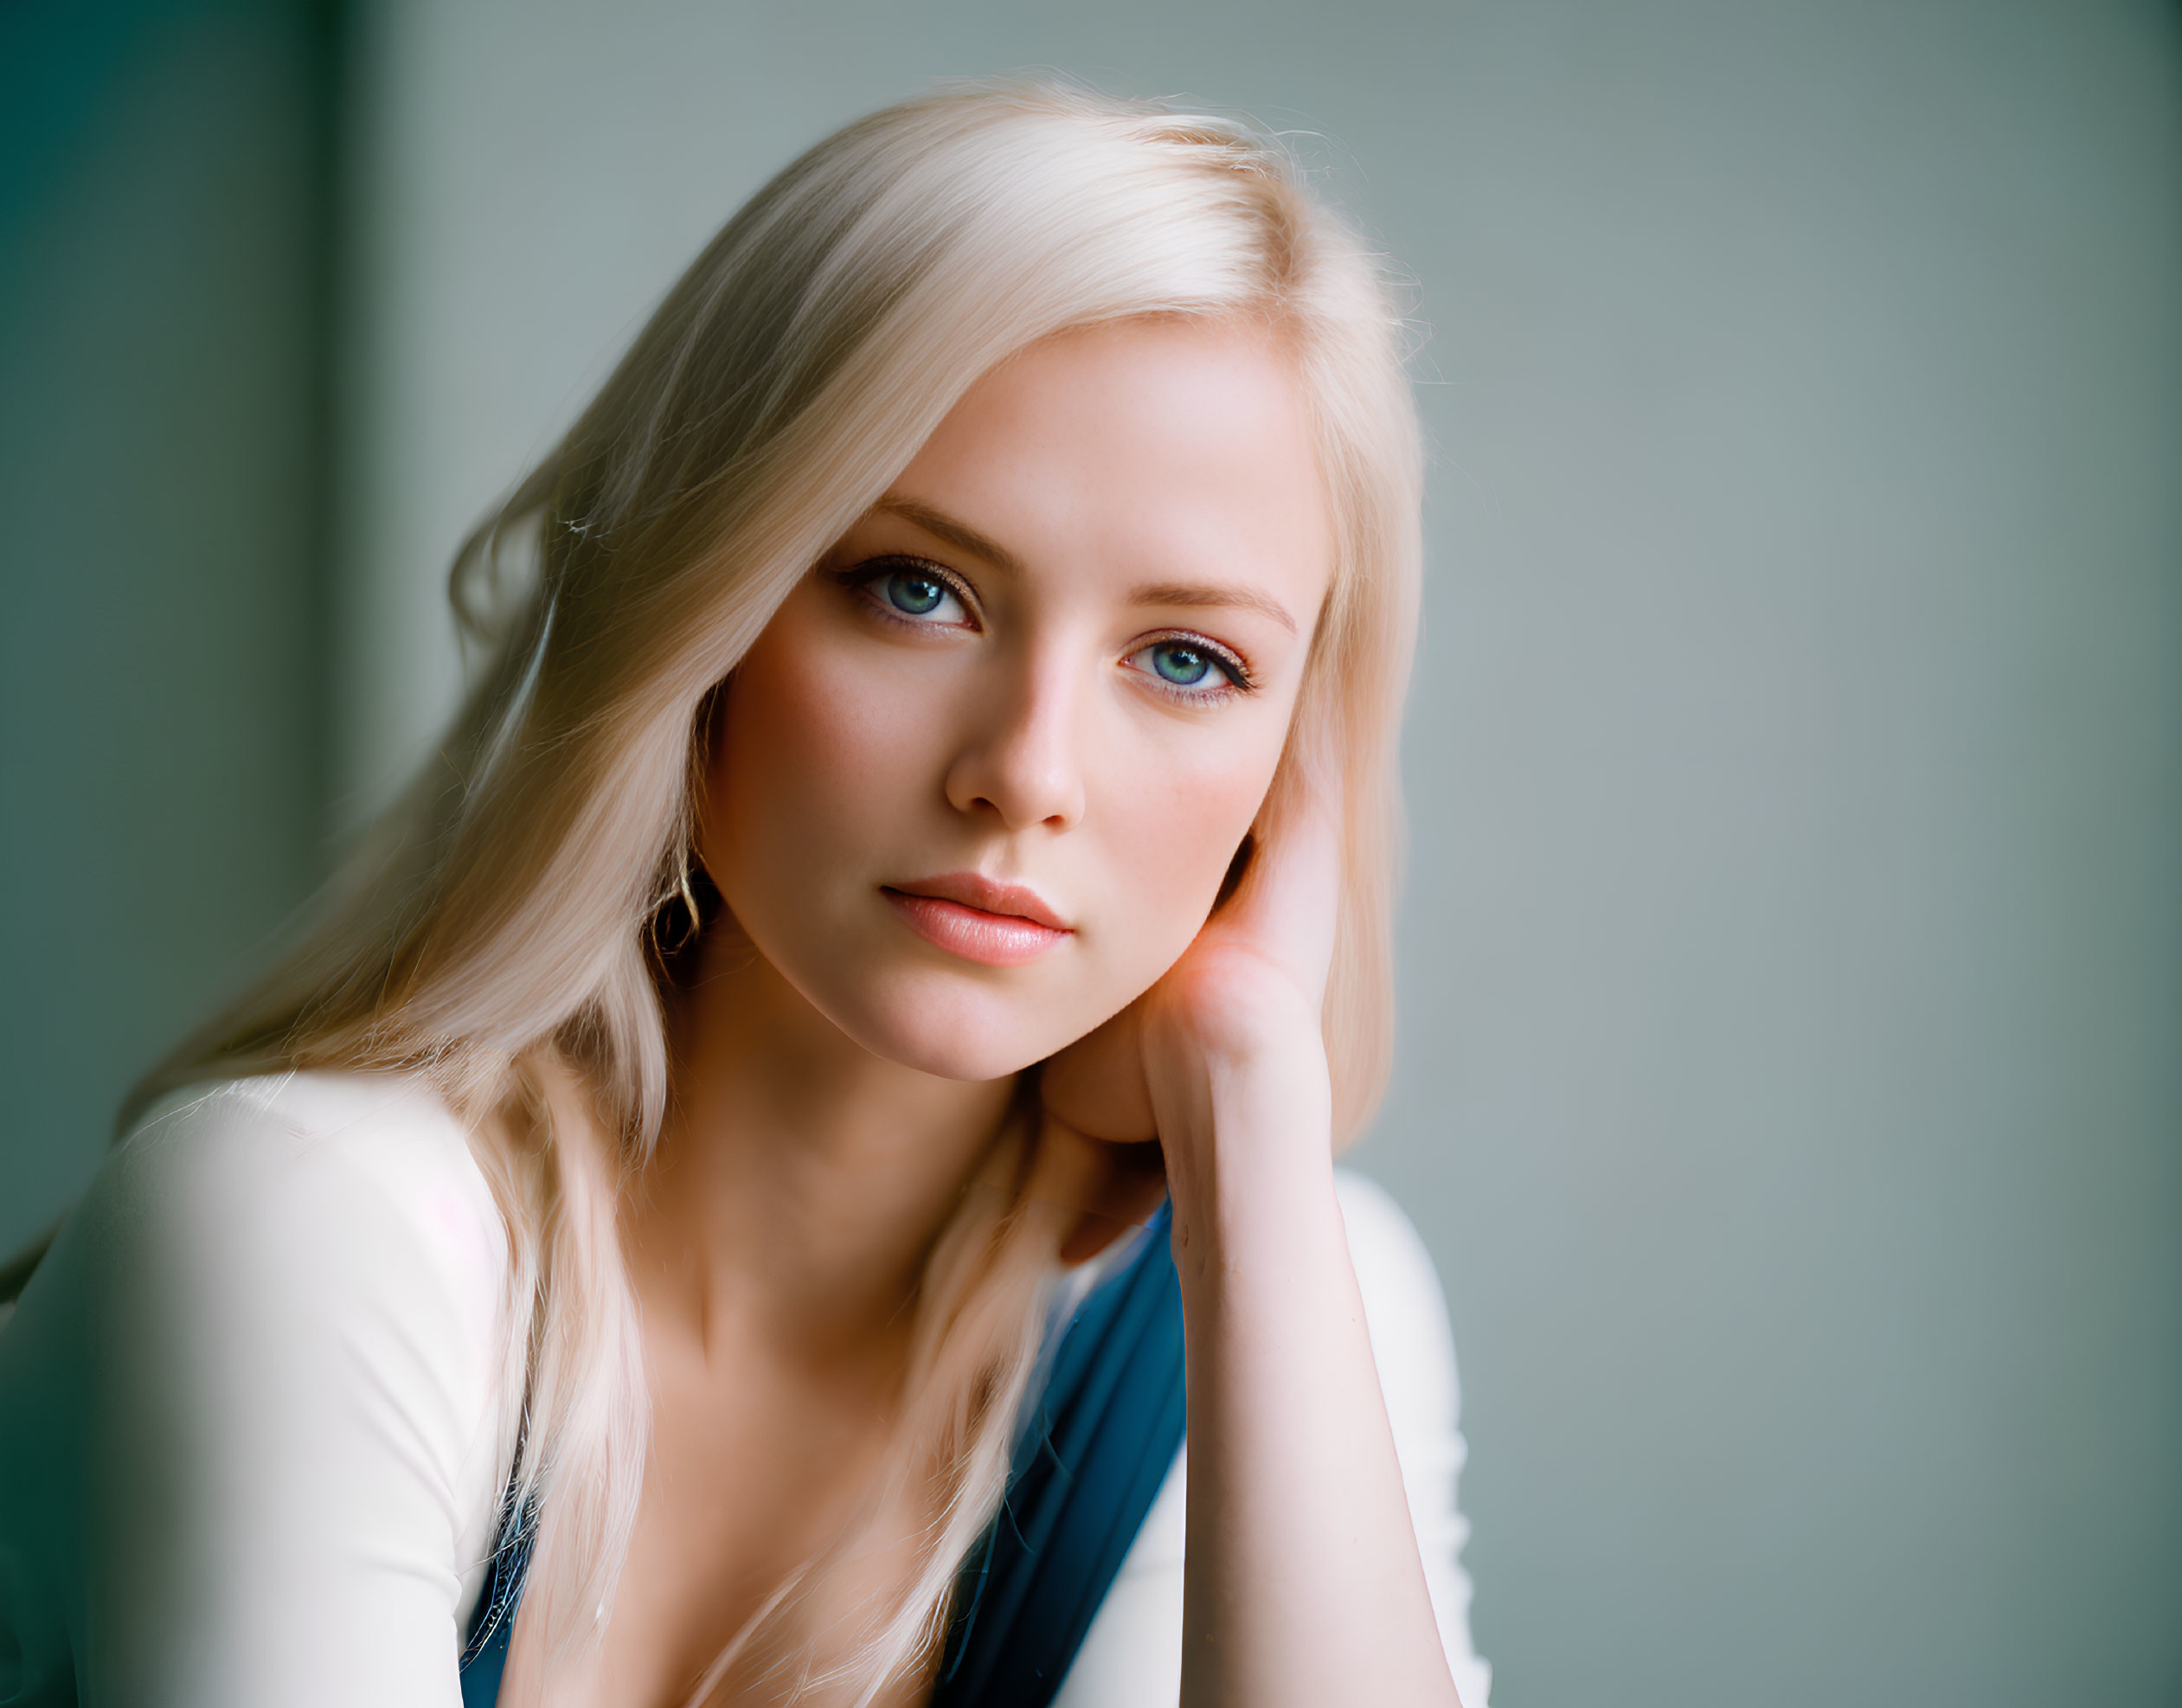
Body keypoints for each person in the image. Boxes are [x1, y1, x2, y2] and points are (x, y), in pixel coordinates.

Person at [0, 81, 1491, 1708]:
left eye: (1188, 660)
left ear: (1295, 761)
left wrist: (1250, 1092)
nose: (1027, 769)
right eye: (914, 588)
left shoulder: (1279, 1293)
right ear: (701, 611)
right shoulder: (316, 1222)